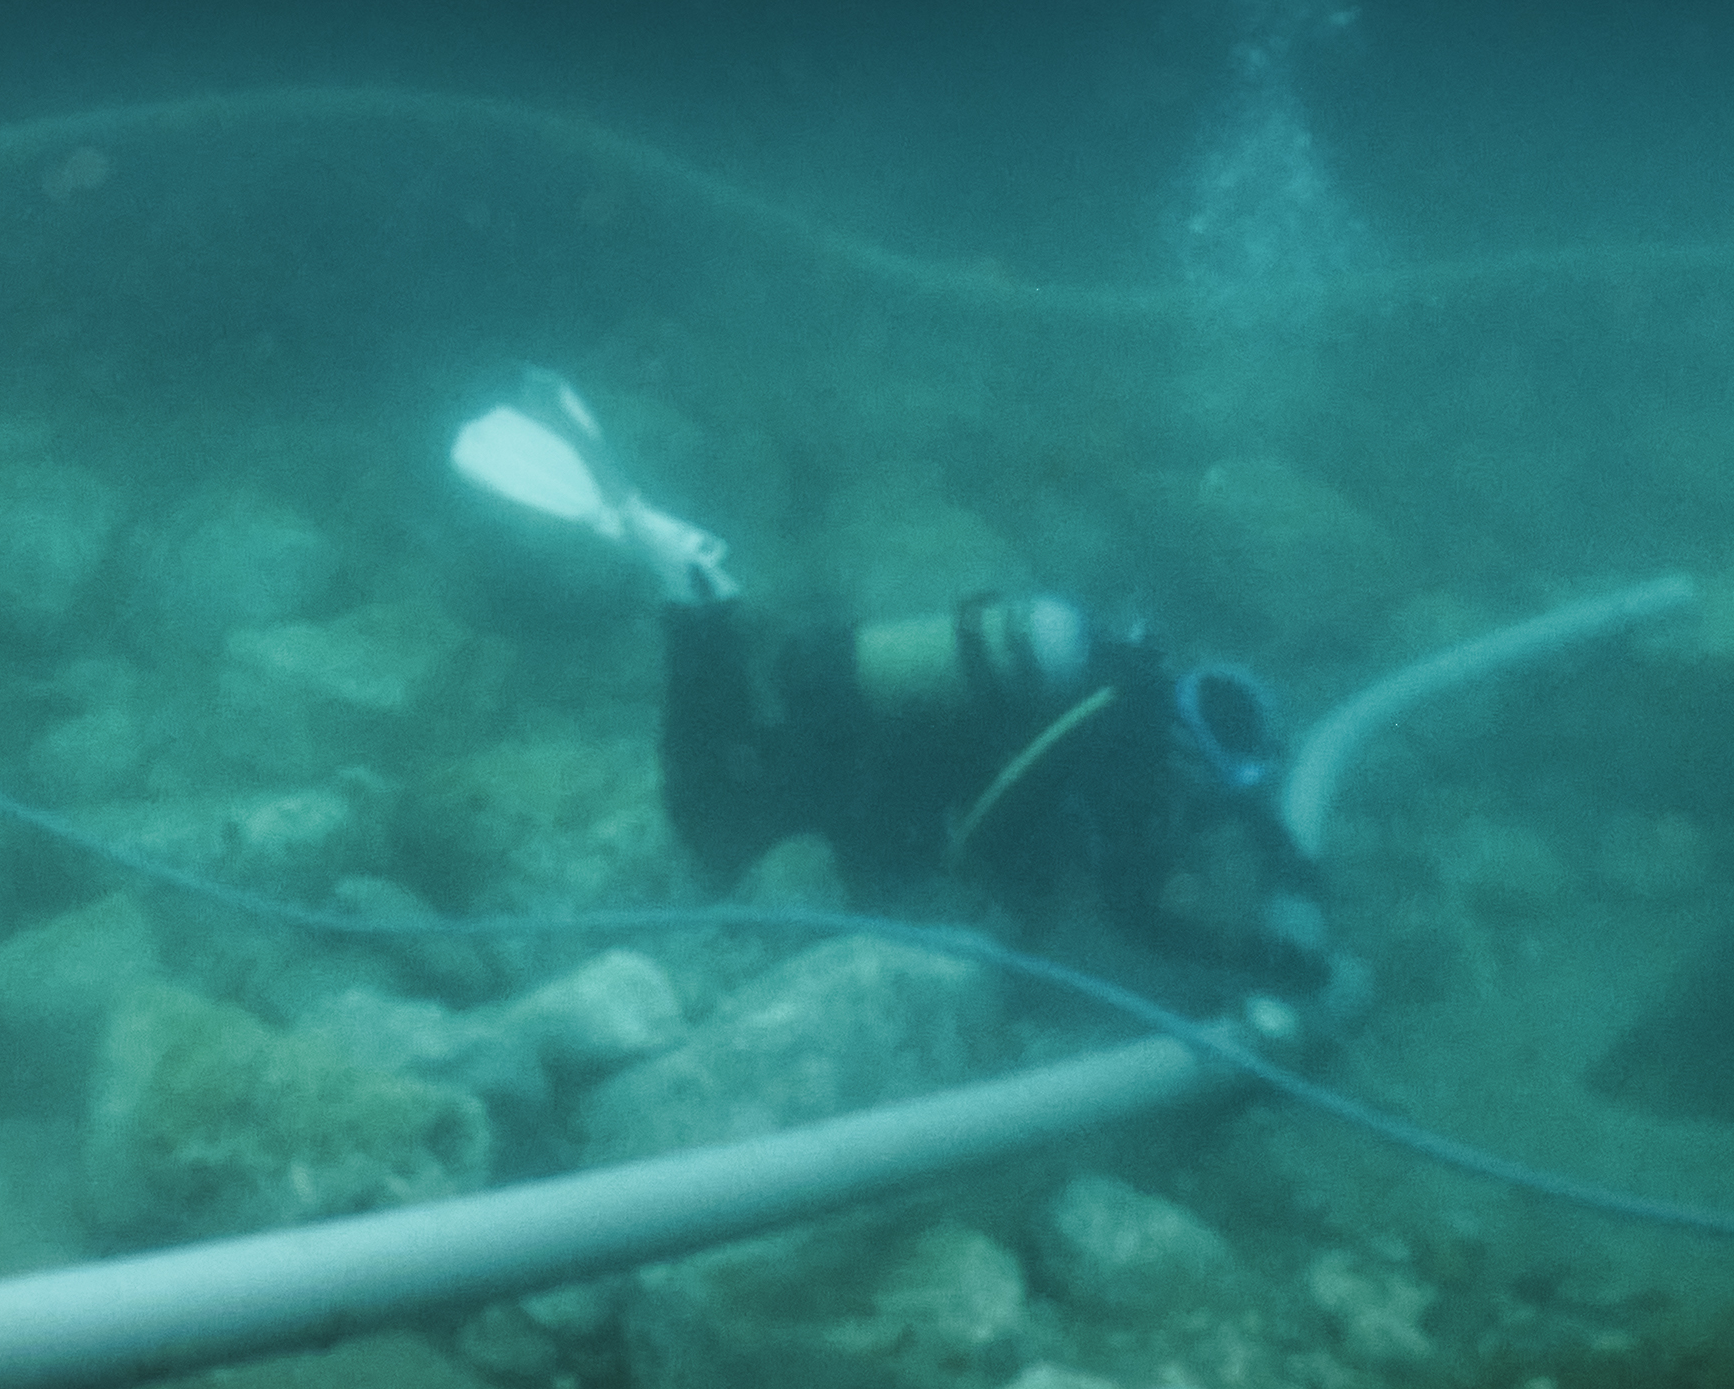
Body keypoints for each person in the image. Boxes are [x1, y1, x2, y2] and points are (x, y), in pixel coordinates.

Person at [452, 379, 1327, 1013]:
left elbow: (1218, 801)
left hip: (880, 740)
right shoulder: (1131, 754)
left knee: (762, 751)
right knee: (713, 824)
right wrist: (1257, 955)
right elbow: (1128, 906)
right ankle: (697, 601)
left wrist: (1284, 856)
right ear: (1190, 750)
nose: (1215, 806)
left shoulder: (1127, 696)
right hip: (871, 781)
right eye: (1215, 786)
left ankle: (708, 600)